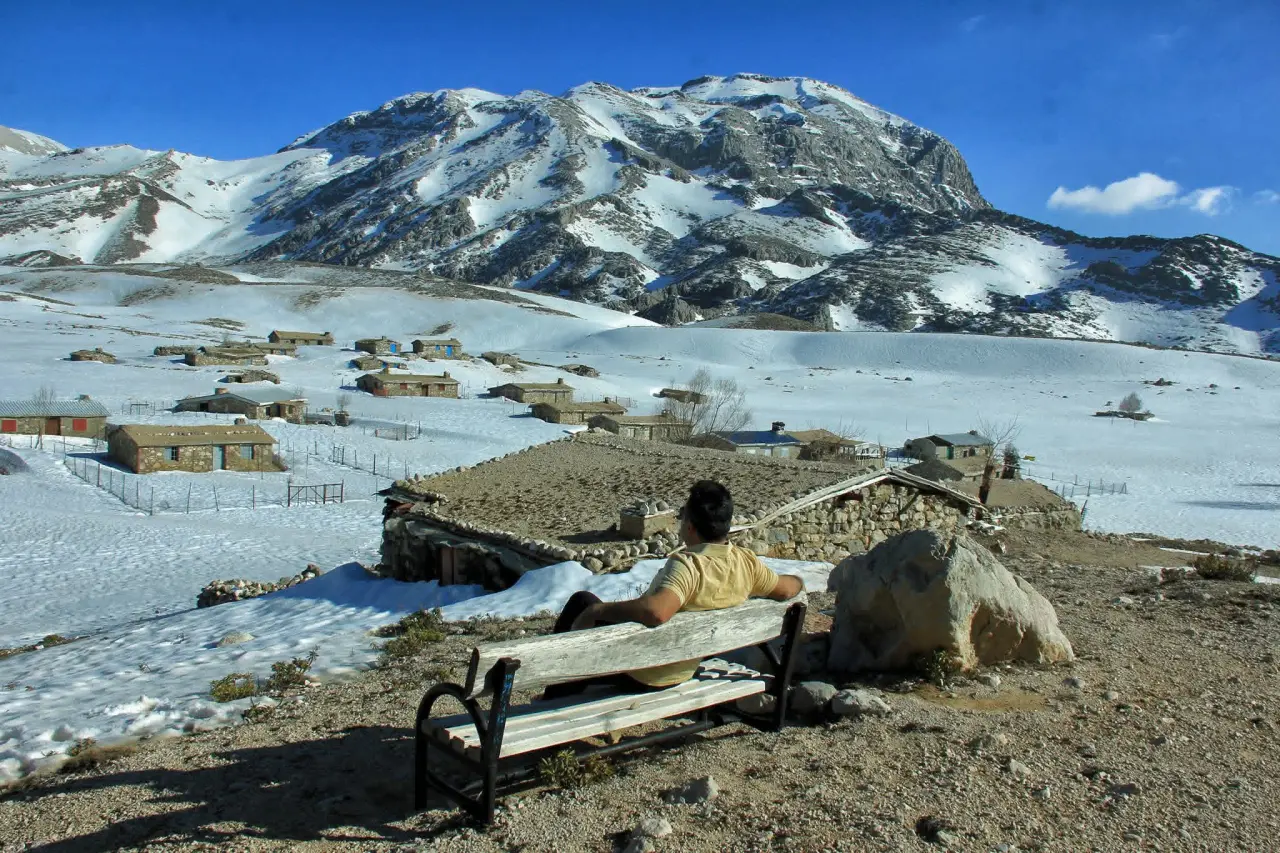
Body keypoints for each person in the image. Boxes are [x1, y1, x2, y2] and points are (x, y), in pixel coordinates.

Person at [544, 479, 805, 699]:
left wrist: (596, 610)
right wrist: (799, 582)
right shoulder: (745, 563)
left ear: (690, 526)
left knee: (582, 602)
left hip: (647, 671)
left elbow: (657, 612)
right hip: (683, 666)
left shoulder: (689, 566)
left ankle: (554, 698)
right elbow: (785, 589)